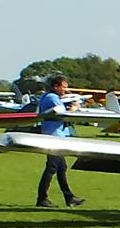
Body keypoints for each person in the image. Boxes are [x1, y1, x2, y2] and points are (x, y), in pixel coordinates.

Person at [35, 74, 84, 207]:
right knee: (52, 168)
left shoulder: (48, 96)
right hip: (54, 136)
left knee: (61, 168)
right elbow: (63, 114)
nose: (65, 90)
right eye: (63, 87)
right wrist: (74, 109)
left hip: (54, 135)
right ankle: (42, 198)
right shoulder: (52, 97)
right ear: (55, 86)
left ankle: (69, 197)